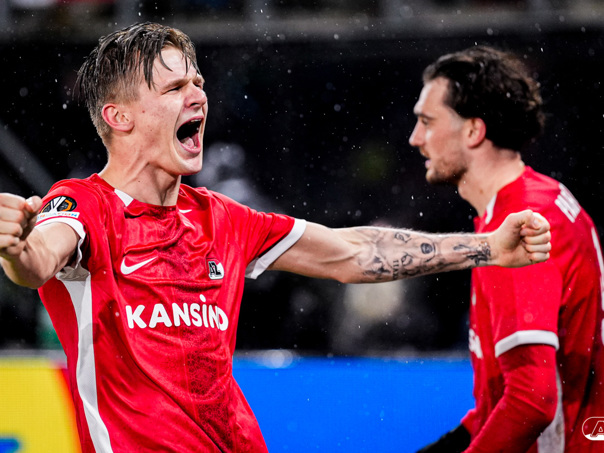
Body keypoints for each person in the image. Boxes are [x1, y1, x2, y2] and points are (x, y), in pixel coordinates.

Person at [0, 24, 551, 453]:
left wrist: (489, 248)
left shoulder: (222, 218)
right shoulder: (86, 204)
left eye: (198, 83)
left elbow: (355, 252)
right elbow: (41, 258)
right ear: (118, 117)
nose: (198, 96)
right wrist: (19, 249)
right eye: (174, 87)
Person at [410, 45, 604, 453]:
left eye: (427, 122)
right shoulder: (537, 199)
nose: (416, 139)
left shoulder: (520, 223)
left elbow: (531, 401)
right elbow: (501, 399)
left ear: (473, 131)